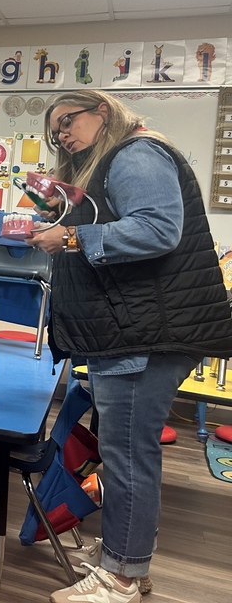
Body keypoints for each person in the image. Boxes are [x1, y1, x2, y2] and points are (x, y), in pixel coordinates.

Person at [27, 90, 232, 603]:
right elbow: (120, 226)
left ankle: (122, 576)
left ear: (103, 111)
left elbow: (158, 230)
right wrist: (64, 214)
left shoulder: (136, 153)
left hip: (142, 333)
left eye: (69, 120)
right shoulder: (112, 164)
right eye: (55, 130)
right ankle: (126, 556)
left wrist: (69, 238)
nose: (62, 135)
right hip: (130, 330)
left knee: (129, 457)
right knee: (124, 453)